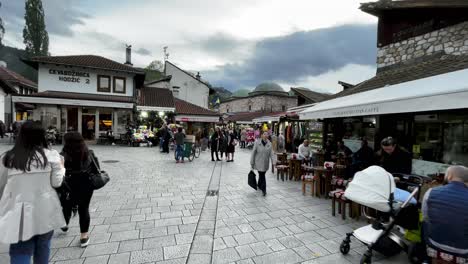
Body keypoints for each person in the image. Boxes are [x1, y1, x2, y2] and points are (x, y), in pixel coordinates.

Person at [0, 121, 66, 263]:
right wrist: (62, 168)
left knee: (20, 249)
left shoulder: (8, 157)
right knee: (43, 246)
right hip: (44, 209)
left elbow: (1, 185)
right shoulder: (51, 156)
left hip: (17, 210)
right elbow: (57, 183)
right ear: (42, 136)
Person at [422, 165, 468, 263]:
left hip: (434, 243)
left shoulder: (431, 192)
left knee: (424, 222)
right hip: (463, 249)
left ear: (449, 176)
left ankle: (426, 258)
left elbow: (425, 217)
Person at [61, 132, 98, 248]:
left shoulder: (62, 155)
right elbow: (96, 169)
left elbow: (58, 174)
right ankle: (84, 237)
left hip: (68, 185)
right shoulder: (89, 153)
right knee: (84, 208)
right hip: (86, 185)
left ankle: (65, 223)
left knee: (66, 204)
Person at [250, 132, 274, 196]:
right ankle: (264, 190)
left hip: (265, 163)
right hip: (258, 162)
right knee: (262, 175)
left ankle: (259, 185)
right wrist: (252, 162)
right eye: (264, 134)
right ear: (261, 135)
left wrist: (274, 161)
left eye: (267, 134)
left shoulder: (269, 144)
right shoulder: (257, 143)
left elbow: (272, 153)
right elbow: (253, 153)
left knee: (262, 174)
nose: (266, 135)